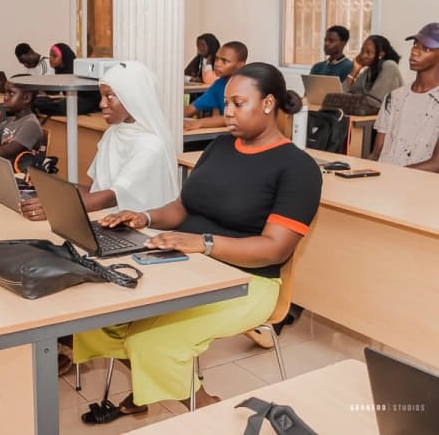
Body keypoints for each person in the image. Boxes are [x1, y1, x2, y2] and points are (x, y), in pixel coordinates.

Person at [73, 63, 321, 422]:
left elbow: (274, 249)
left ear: (268, 104)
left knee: (150, 341)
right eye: (227, 104)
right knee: (101, 314)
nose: (228, 113)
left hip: (249, 283)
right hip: (189, 266)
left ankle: (203, 405)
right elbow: (182, 207)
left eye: (238, 103)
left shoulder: (297, 168)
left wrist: (203, 242)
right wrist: (144, 217)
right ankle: (153, 387)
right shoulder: (220, 146)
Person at [20, 61, 180, 221]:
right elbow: (96, 190)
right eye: (101, 96)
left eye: (110, 97)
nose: (101, 104)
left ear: (132, 98)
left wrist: (57, 206)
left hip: (138, 230)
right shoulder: (113, 133)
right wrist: (50, 188)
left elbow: (112, 197)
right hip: (108, 219)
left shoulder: (150, 145)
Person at [369, 23, 439, 172]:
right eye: (415, 45)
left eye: (426, 49)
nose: (414, 52)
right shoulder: (394, 97)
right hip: (384, 181)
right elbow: (377, 153)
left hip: (419, 186)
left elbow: (436, 163)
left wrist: (395, 175)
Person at [183, 41, 248, 130]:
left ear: (240, 65)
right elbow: (191, 109)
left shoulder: (247, 86)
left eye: (225, 61)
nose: (217, 64)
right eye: (217, 59)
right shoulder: (219, 84)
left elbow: (235, 117)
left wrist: (200, 122)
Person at [34, 42, 101, 115]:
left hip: (89, 101)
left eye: (54, 56)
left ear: (64, 56)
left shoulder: (76, 70)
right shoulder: (60, 70)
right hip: (73, 100)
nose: (51, 59)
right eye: (50, 56)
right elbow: (56, 92)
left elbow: (87, 94)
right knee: (38, 101)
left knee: (65, 106)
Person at [344, 35, 403, 101]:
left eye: (368, 52)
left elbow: (375, 100)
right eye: (362, 51)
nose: (363, 56)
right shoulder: (368, 72)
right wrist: (354, 71)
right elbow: (343, 95)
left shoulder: (389, 66)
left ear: (381, 54)